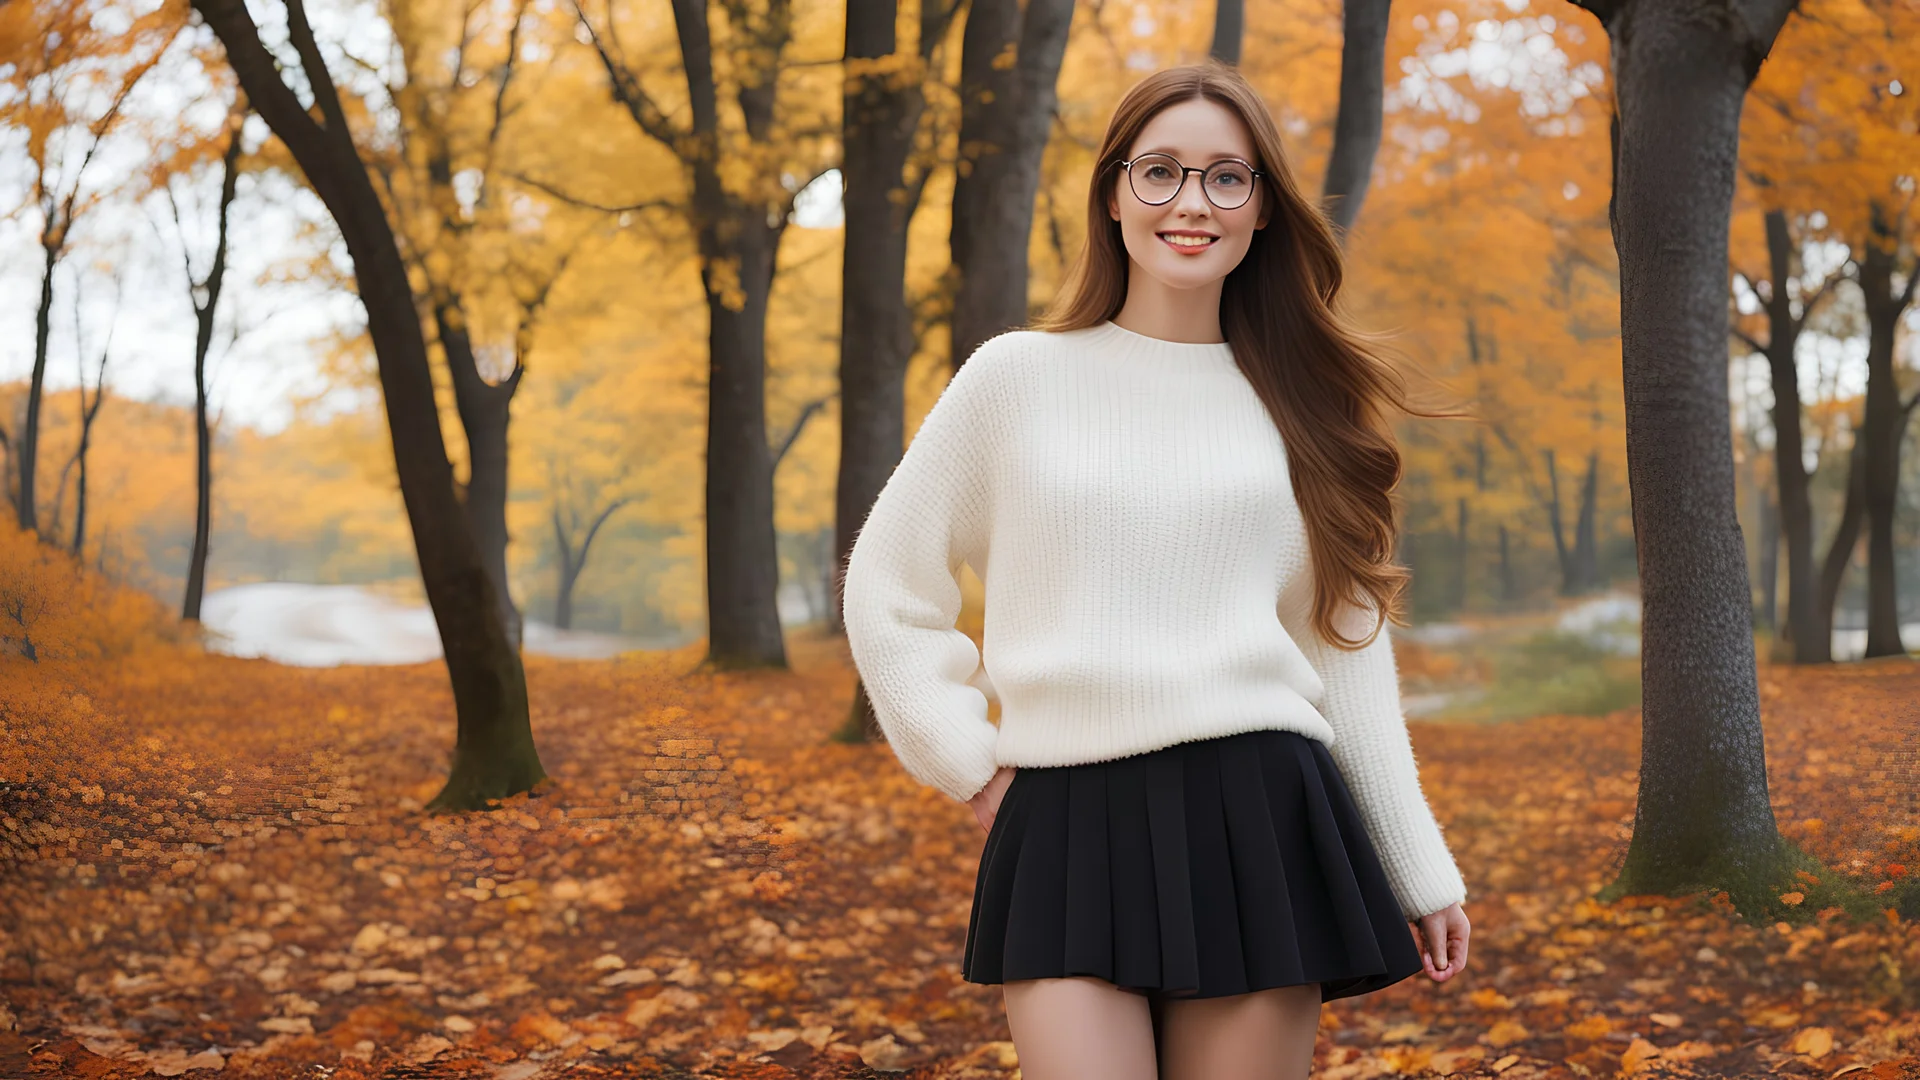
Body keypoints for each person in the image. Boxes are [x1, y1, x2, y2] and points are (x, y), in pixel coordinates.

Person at [841, 60, 1471, 1080]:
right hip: (1064, 819)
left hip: (1261, 816)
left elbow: (1343, 649)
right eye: (1161, 171)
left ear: (1262, 210)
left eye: (1229, 177)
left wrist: (1416, 866)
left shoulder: (1306, 411)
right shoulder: (1015, 378)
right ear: (1113, 193)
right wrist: (967, 761)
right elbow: (888, 587)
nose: (1192, 202)